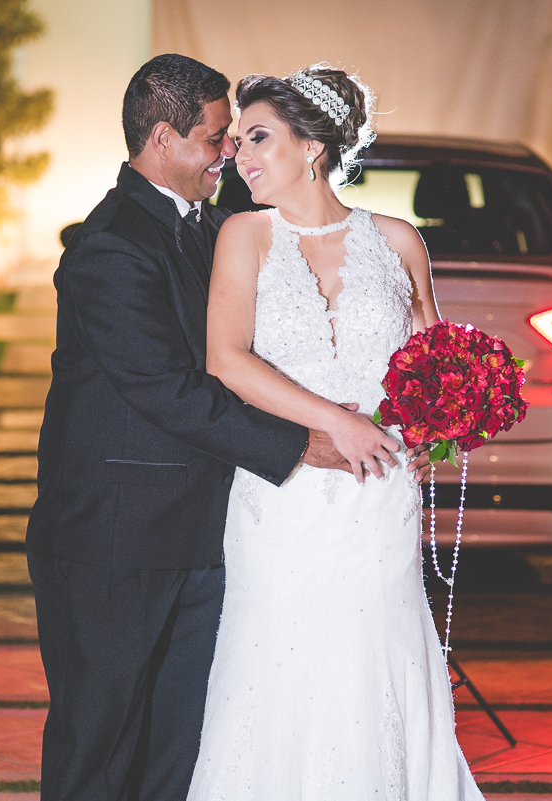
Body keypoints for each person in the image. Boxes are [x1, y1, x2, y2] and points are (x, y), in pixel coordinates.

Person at [26, 54, 408, 801]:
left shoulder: (215, 220)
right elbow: (170, 391)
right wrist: (310, 444)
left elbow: (298, 199)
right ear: (163, 139)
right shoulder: (109, 248)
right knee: (99, 749)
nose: (228, 152)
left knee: (178, 752)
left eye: (235, 137)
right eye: (215, 138)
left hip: (204, 534)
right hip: (115, 542)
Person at [186, 66, 486, 799]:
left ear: (313, 145)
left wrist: (437, 434)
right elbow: (225, 359)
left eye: (257, 137)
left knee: (372, 661)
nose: (239, 156)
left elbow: (436, 367)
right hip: (282, 500)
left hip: (377, 499)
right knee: (277, 664)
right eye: (234, 143)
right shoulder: (244, 236)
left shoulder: (397, 240)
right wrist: (336, 421)